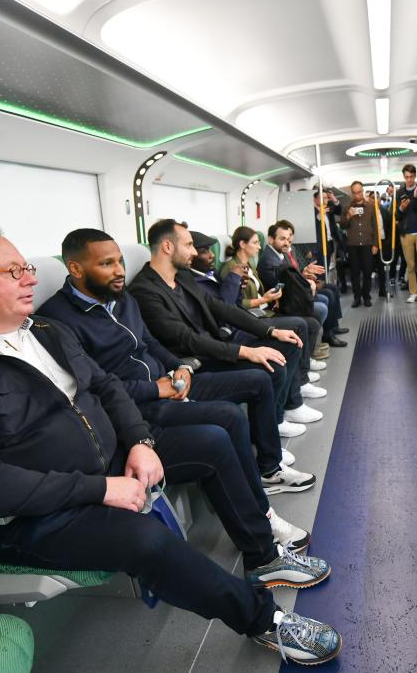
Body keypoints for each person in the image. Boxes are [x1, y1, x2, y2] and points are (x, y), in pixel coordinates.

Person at [0, 226, 341, 666]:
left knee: (213, 441)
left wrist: (139, 441)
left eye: (27, 268)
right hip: (38, 513)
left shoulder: (43, 331)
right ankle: (263, 619)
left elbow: (106, 387)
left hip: (113, 458)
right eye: (13, 271)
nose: (30, 278)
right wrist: (100, 489)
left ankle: (262, 558)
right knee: (145, 540)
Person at [37, 228, 317, 548]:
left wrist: (179, 367)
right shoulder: (58, 320)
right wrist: (156, 390)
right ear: (75, 268)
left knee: (258, 381)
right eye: (106, 264)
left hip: (170, 383)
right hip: (139, 404)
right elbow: (96, 389)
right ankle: (262, 519)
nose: (119, 271)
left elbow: (150, 343)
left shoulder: (121, 298)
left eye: (120, 262)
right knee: (228, 419)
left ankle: (267, 474)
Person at [127, 220, 323, 434]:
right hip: (194, 361)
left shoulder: (181, 277)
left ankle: (283, 415)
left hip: (215, 343)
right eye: (189, 245)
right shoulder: (144, 291)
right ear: (167, 246)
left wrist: (270, 331)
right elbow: (186, 339)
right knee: (272, 369)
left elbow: (220, 307)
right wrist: (246, 352)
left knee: (287, 343)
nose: (194, 252)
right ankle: (270, 436)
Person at [259, 221, 347, 348]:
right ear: (271, 239)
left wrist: (305, 278)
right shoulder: (269, 260)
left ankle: (325, 335)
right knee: (322, 306)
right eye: (282, 239)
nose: (287, 242)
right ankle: (309, 348)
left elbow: (291, 277)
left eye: (288, 239)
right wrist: (307, 285)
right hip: (282, 304)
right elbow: (283, 286)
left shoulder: (280, 254)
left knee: (327, 295)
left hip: (289, 297)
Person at [340, 180, 379, 307]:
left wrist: (375, 244)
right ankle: (357, 297)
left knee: (367, 271)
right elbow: (342, 226)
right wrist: (348, 216)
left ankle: (366, 296)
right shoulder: (346, 207)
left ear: (362, 191)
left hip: (367, 244)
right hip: (353, 245)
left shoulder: (371, 207)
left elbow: (375, 226)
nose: (357, 195)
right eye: (354, 193)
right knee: (354, 273)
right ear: (352, 193)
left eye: (359, 192)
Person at [396, 164, 417, 303]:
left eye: (411, 177)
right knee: (410, 266)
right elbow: (396, 216)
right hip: (406, 233)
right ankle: (413, 292)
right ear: (404, 177)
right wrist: (401, 208)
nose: (409, 180)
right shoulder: (399, 193)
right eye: (406, 177)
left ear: (415, 176)